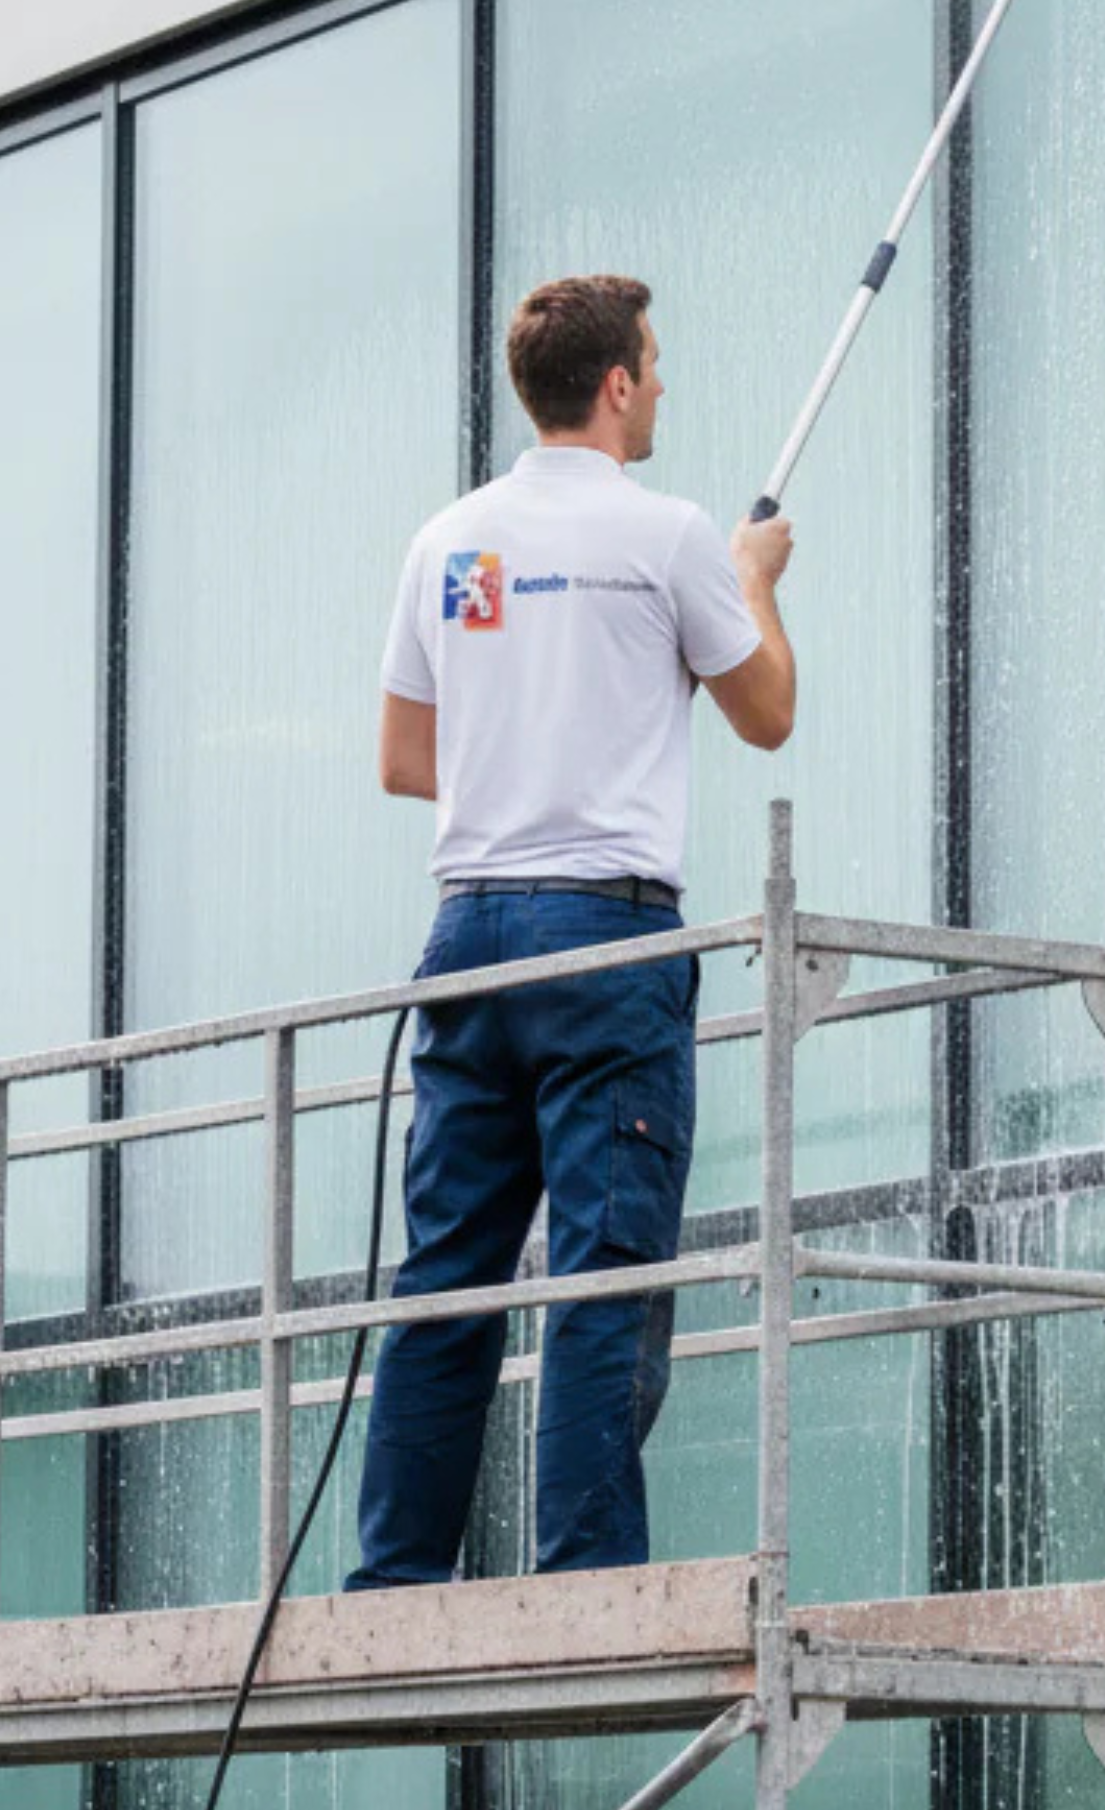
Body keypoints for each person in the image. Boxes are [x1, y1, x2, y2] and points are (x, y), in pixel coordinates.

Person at [349, 274, 797, 1586]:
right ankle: (584, 1573)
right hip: (605, 937)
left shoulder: (450, 543)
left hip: (470, 934)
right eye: (650, 366)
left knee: (450, 1276)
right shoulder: (669, 540)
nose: (659, 386)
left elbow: (401, 757)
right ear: (613, 385)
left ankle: (392, 1577)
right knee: (603, 1269)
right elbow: (765, 712)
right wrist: (756, 579)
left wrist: (525, 760)